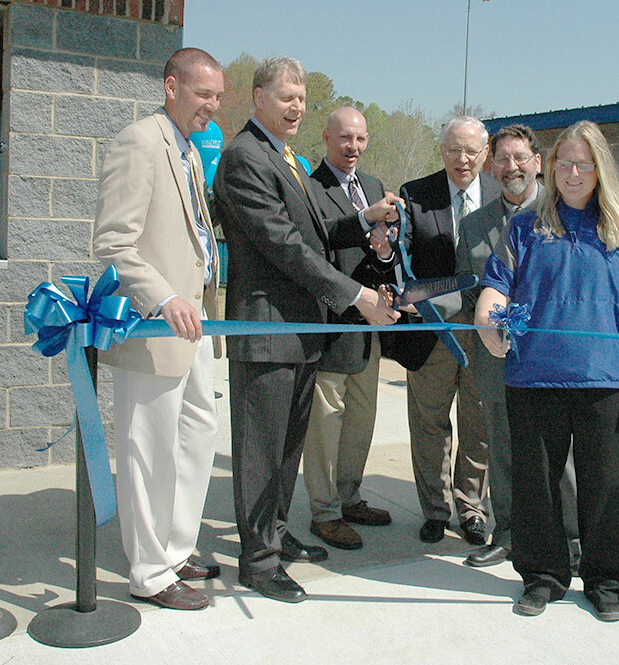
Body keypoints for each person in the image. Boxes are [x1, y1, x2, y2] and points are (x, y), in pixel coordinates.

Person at [213, 57, 400, 603]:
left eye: (301, 97)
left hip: (300, 334)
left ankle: (274, 536)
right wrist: (356, 294)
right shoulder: (245, 158)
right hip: (268, 330)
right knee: (260, 452)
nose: (296, 106)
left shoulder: (287, 157)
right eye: (285, 96)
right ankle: (258, 563)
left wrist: (369, 219)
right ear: (258, 98)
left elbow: (324, 223)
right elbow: (285, 246)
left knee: (287, 450)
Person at [475, 120, 619, 621]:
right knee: (535, 485)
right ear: (551, 166)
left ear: (600, 168)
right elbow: (496, 287)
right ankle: (543, 575)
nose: (574, 173)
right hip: (534, 377)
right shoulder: (526, 227)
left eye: (584, 164)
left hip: (606, 379)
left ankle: (606, 580)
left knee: (606, 485)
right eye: (565, 163)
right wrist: (487, 320)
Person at [92, 48, 224, 611]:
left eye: (218, 97)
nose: (212, 107)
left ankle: (175, 548)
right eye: (203, 95)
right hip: (154, 323)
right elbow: (113, 242)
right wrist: (163, 295)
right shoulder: (141, 141)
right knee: (148, 447)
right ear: (171, 86)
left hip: (195, 324)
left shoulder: (190, 151)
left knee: (199, 432)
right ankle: (148, 571)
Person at [453, 124, 579, 571]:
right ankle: (506, 533)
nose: (512, 167)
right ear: (492, 166)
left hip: (553, 361)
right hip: (495, 362)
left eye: (520, 157)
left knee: (558, 456)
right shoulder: (473, 226)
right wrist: (417, 302)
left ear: (538, 162)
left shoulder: (566, 214)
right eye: (502, 159)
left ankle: (572, 539)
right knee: (501, 450)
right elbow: (469, 294)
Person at [381, 116, 500, 546]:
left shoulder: (499, 193)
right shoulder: (417, 194)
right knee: (430, 423)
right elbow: (401, 253)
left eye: (471, 151)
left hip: (485, 332)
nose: (462, 159)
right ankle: (435, 508)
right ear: (442, 150)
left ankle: (471, 508)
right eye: (453, 149)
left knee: (478, 422)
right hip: (432, 331)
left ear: (485, 153)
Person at [301, 107, 394, 550]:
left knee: (361, 416)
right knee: (325, 423)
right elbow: (317, 242)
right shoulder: (309, 187)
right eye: (344, 139)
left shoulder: (373, 186)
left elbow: (378, 253)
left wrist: (387, 249)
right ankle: (324, 511)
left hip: (369, 324)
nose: (352, 147)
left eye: (359, 139)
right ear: (325, 138)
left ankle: (350, 495)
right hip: (330, 321)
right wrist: (364, 221)